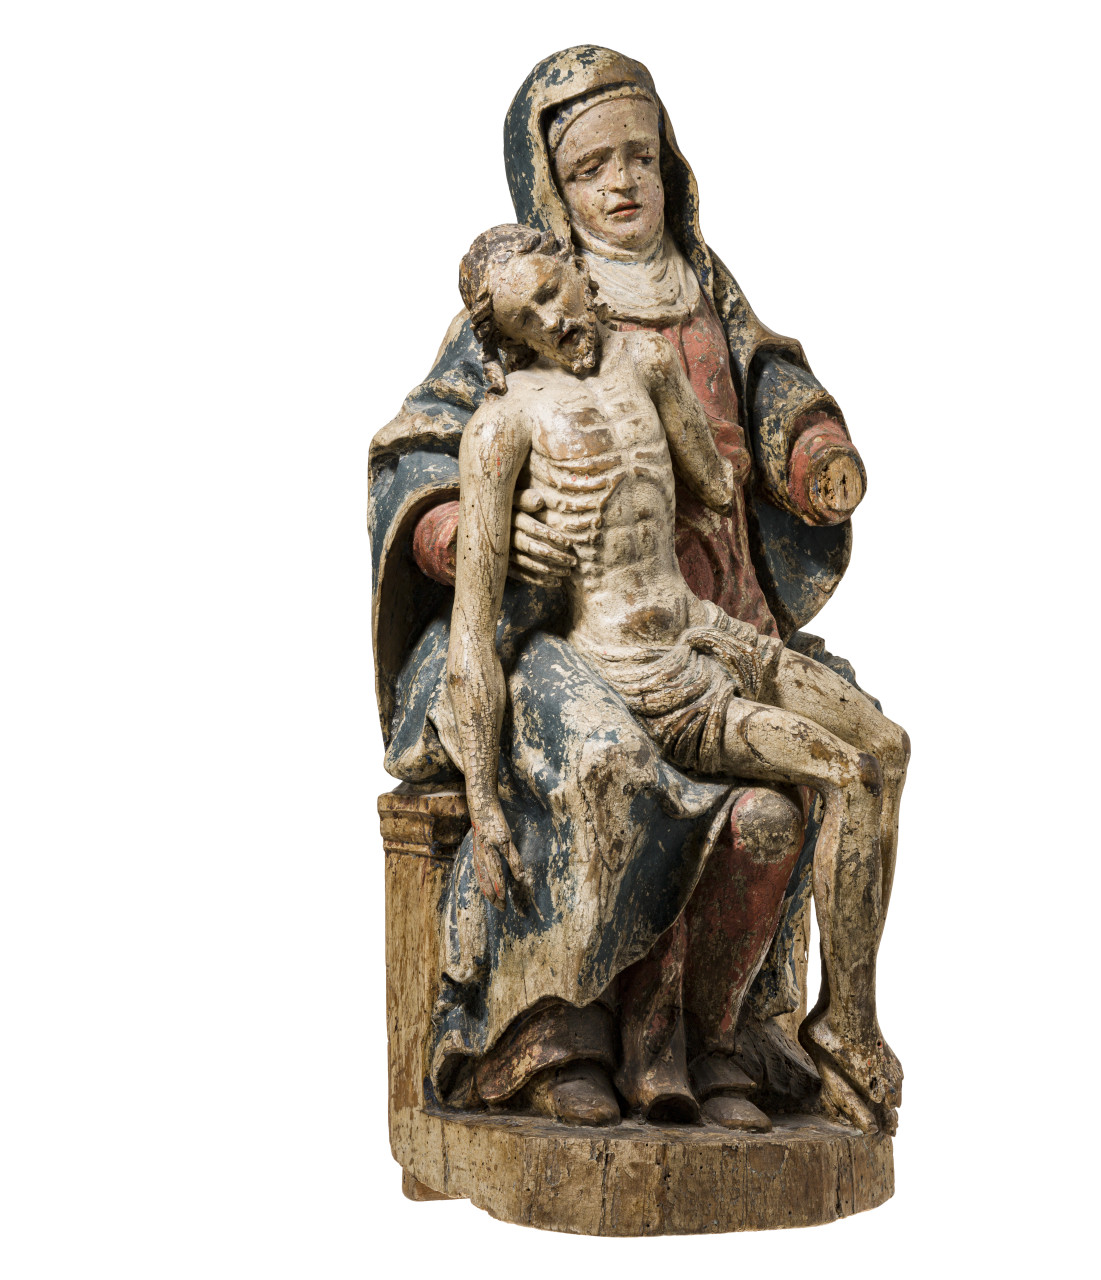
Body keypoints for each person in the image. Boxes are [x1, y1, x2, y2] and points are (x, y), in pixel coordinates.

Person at [368, 47, 907, 1134]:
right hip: (570, 634)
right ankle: (560, 1037)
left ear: (672, 164)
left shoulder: (700, 289)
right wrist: (462, 531)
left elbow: (769, 380)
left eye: (640, 157)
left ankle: (728, 1037)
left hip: (714, 611)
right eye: (590, 168)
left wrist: (808, 448)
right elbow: (419, 449)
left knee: (817, 779)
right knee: (599, 772)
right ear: (549, 190)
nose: (621, 183)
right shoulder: (520, 313)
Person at [448, 223, 899, 1132]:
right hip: (631, 675)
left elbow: (717, 490)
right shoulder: (503, 425)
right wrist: (484, 803)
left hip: (703, 634)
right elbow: (470, 634)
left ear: (578, 272)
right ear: (507, 339)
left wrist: (687, 415)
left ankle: (845, 1021)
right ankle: (827, 1034)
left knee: (882, 748)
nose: (555, 319)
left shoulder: (649, 363)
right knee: (841, 775)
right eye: (529, 317)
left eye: (556, 291)